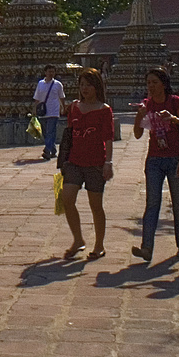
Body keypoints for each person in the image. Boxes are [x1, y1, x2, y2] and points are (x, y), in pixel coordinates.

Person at [131, 66, 179, 262]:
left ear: (163, 84)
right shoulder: (147, 105)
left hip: (174, 157)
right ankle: (146, 247)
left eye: (155, 82)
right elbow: (138, 134)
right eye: (148, 83)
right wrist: (140, 115)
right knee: (152, 204)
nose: (151, 86)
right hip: (154, 159)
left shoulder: (175, 102)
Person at [58, 68, 115, 260]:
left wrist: (108, 163)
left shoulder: (104, 110)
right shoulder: (74, 107)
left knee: (95, 205)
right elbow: (69, 134)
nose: (84, 89)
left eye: (88, 85)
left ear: (96, 86)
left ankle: (99, 245)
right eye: (81, 85)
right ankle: (78, 239)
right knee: (67, 198)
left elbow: (108, 138)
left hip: (95, 163)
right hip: (74, 161)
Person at [33, 64, 66, 161]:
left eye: (53, 71)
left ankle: (47, 150)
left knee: (50, 131)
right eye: (49, 71)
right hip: (43, 111)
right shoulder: (40, 84)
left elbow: (62, 97)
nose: (51, 73)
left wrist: (63, 107)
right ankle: (53, 149)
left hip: (53, 111)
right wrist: (34, 109)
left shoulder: (58, 84)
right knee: (46, 132)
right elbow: (37, 98)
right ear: (45, 72)